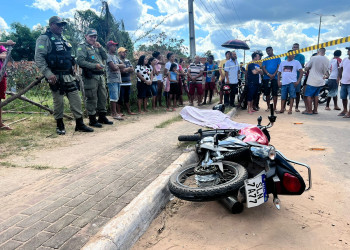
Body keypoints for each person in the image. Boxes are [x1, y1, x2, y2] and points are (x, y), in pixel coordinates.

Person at [35, 16, 93, 134]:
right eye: (58, 24)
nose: (61, 27)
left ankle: (80, 124)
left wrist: (72, 68)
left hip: (69, 75)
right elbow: (39, 58)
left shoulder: (63, 38)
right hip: (55, 76)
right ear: (51, 25)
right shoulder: (44, 38)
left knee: (76, 98)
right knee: (59, 101)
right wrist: (48, 73)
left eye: (62, 25)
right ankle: (59, 124)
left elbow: (67, 56)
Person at [77, 28, 113, 128]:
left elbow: (106, 57)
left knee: (103, 97)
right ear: (86, 36)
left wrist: (100, 47)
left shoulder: (96, 47)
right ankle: (92, 119)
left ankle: (102, 117)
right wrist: (94, 66)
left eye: (94, 36)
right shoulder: (82, 47)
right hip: (90, 76)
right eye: (91, 36)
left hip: (100, 75)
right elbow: (80, 61)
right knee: (92, 98)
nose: (93, 38)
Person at [303, 48, 329, 115]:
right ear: (324, 52)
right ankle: (315, 110)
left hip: (312, 80)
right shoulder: (327, 59)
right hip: (320, 80)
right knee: (316, 96)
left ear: (318, 52)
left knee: (308, 95)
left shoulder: (314, 58)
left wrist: (306, 67)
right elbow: (326, 71)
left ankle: (309, 110)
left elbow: (306, 68)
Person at [277, 50, 303, 114]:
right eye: (291, 54)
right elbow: (279, 73)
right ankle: (282, 109)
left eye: (294, 54)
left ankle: (290, 109)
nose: (293, 55)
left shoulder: (296, 62)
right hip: (284, 82)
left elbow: (301, 72)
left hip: (292, 82)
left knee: (292, 96)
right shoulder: (283, 63)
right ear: (288, 55)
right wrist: (278, 81)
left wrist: (298, 81)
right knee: (283, 96)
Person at [106, 40, 125, 120]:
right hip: (112, 79)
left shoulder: (115, 57)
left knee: (116, 96)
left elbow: (123, 65)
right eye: (113, 46)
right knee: (113, 97)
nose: (115, 47)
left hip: (118, 79)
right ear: (109, 47)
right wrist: (117, 66)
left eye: (115, 46)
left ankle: (116, 112)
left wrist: (116, 65)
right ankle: (113, 113)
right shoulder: (108, 56)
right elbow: (113, 68)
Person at [0, 40, 15, 130]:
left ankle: (0, 123)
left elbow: (4, 55)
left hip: (1, 75)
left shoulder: (1, 45)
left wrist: (6, 43)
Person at [118, 47, 136, 115]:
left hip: (128, 82)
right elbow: (120, 71)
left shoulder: (127, 61)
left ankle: (129, 111)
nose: (125, 53)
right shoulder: (117, 61)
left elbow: (132, 69)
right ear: (119, 53)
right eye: (123, 52)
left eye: (125, 52)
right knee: (120, 98)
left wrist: (126, 69)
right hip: (120, 83)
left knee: (127, 97)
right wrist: (127, 69)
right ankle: (119, 112)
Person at [262, 46, 281, 111]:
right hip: (266, 78)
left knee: (274, 93)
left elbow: (279, 67)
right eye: (267, 51)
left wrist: (274, 74)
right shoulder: (265, 59)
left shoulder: (277, 58)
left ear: (272, 50)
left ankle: (274, 107)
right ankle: (268, 107)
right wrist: (268, 74)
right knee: (267, 93)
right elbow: (263, 67)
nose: (268, 52)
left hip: (275, 78)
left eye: (269, 50)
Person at [290, 43, 305, 112]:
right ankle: (289, 107)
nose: (295, 48)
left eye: (296, 47)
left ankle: (296, 107)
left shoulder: (301, 56)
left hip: (297, 77)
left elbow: (301, 66)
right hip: (289, 77)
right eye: (294, 47)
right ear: (292, 48)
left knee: (297, 92)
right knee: (289, 92)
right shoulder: (287, 56)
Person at [338, 47, 350, 118]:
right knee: (343, 97)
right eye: (348, 50)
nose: (348, 51)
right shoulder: (345, 59)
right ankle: (345, 110)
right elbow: (340, 68)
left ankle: (349, 113)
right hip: (344, 82)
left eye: (349, 50)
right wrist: (340, 78)